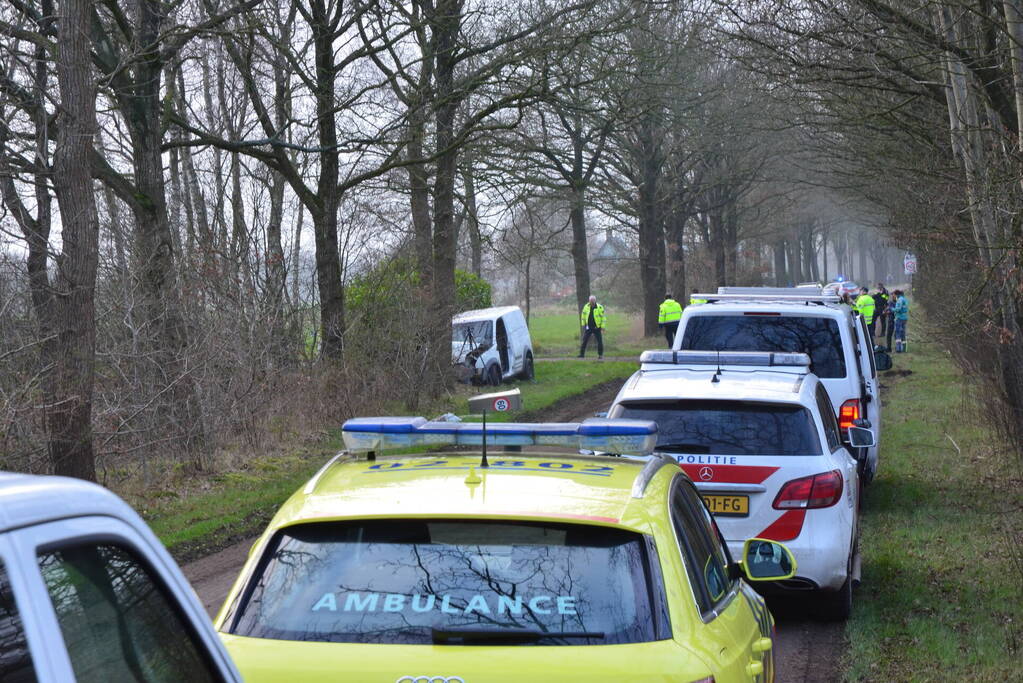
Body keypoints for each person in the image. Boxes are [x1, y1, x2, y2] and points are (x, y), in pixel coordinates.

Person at [578, 295, 606, 359]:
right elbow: (583, 316)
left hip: (597, 327)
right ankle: (581, 354)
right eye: (591, 301)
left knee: (600, 341)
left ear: (595, 300)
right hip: (589, 327)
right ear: (589, 301)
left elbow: (603, 318)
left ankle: (600, 355)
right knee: (584, 340)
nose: (592, 302)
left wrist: (602, 327)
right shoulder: (586, 306)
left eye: (593, 300)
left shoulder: (600, 307)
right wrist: (583, 324)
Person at [873, 283, 891, 348]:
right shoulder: (877, 291)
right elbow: (873, 297)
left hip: (883, 308)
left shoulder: (885, 292)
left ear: (882, 286)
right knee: (873, 320)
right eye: (877, 287)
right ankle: (873, 332)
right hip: (877, 307)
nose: (878, 288)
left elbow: (884, 299)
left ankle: (883, 333)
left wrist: (879, 295)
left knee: (882, 321)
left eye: (879, 287)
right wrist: (878, 294)